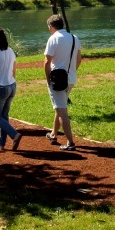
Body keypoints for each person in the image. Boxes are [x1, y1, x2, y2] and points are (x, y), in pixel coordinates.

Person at [43, 13, 81, 151]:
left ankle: (70, 142)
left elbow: (47, 61)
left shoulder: (53, 39)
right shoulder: (74, 38)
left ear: (51, 26)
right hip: (70, 78)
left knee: (62, 110)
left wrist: (48, 79)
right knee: (60, 107)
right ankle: (53, 134)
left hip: (57, 80)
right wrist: (71, 72)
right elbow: (79, 59)